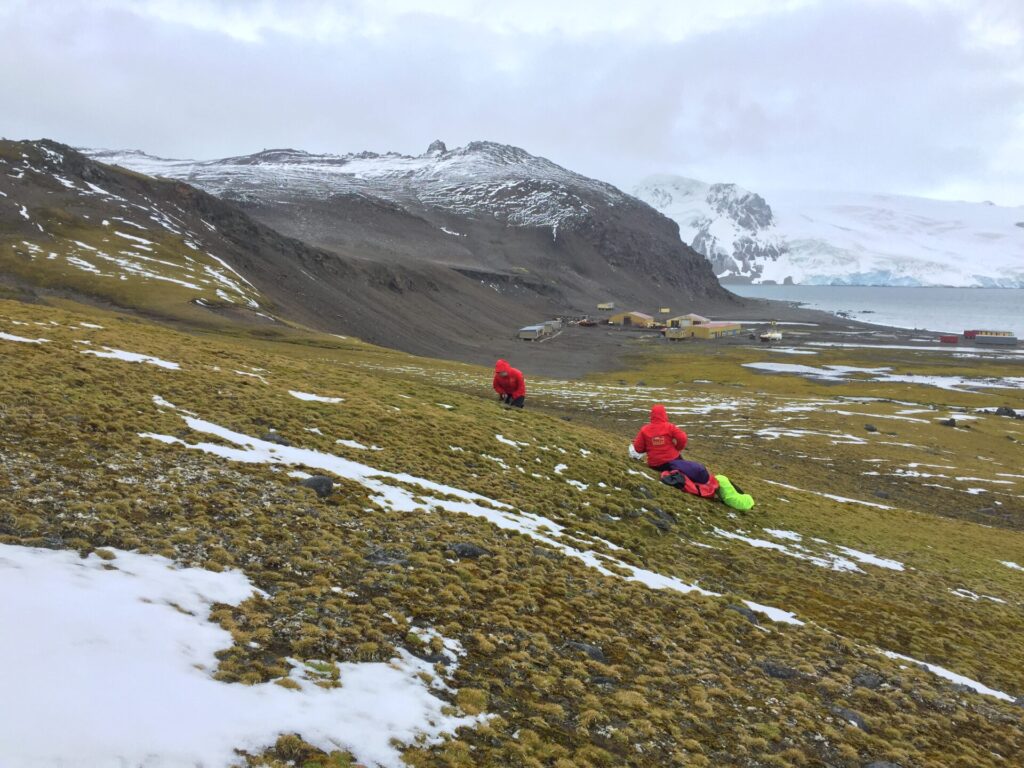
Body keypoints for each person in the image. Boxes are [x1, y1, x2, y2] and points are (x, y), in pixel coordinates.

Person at [631, 404, 754, 510]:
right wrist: (677, 447)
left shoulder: (645, 430)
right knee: (693, 471)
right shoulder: (669, 427)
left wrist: (651, 445)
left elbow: (638, 448)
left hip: (655, 465)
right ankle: (718, 491)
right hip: (674, 460)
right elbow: (682, 438)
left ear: (652, 415)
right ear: (664, 415)